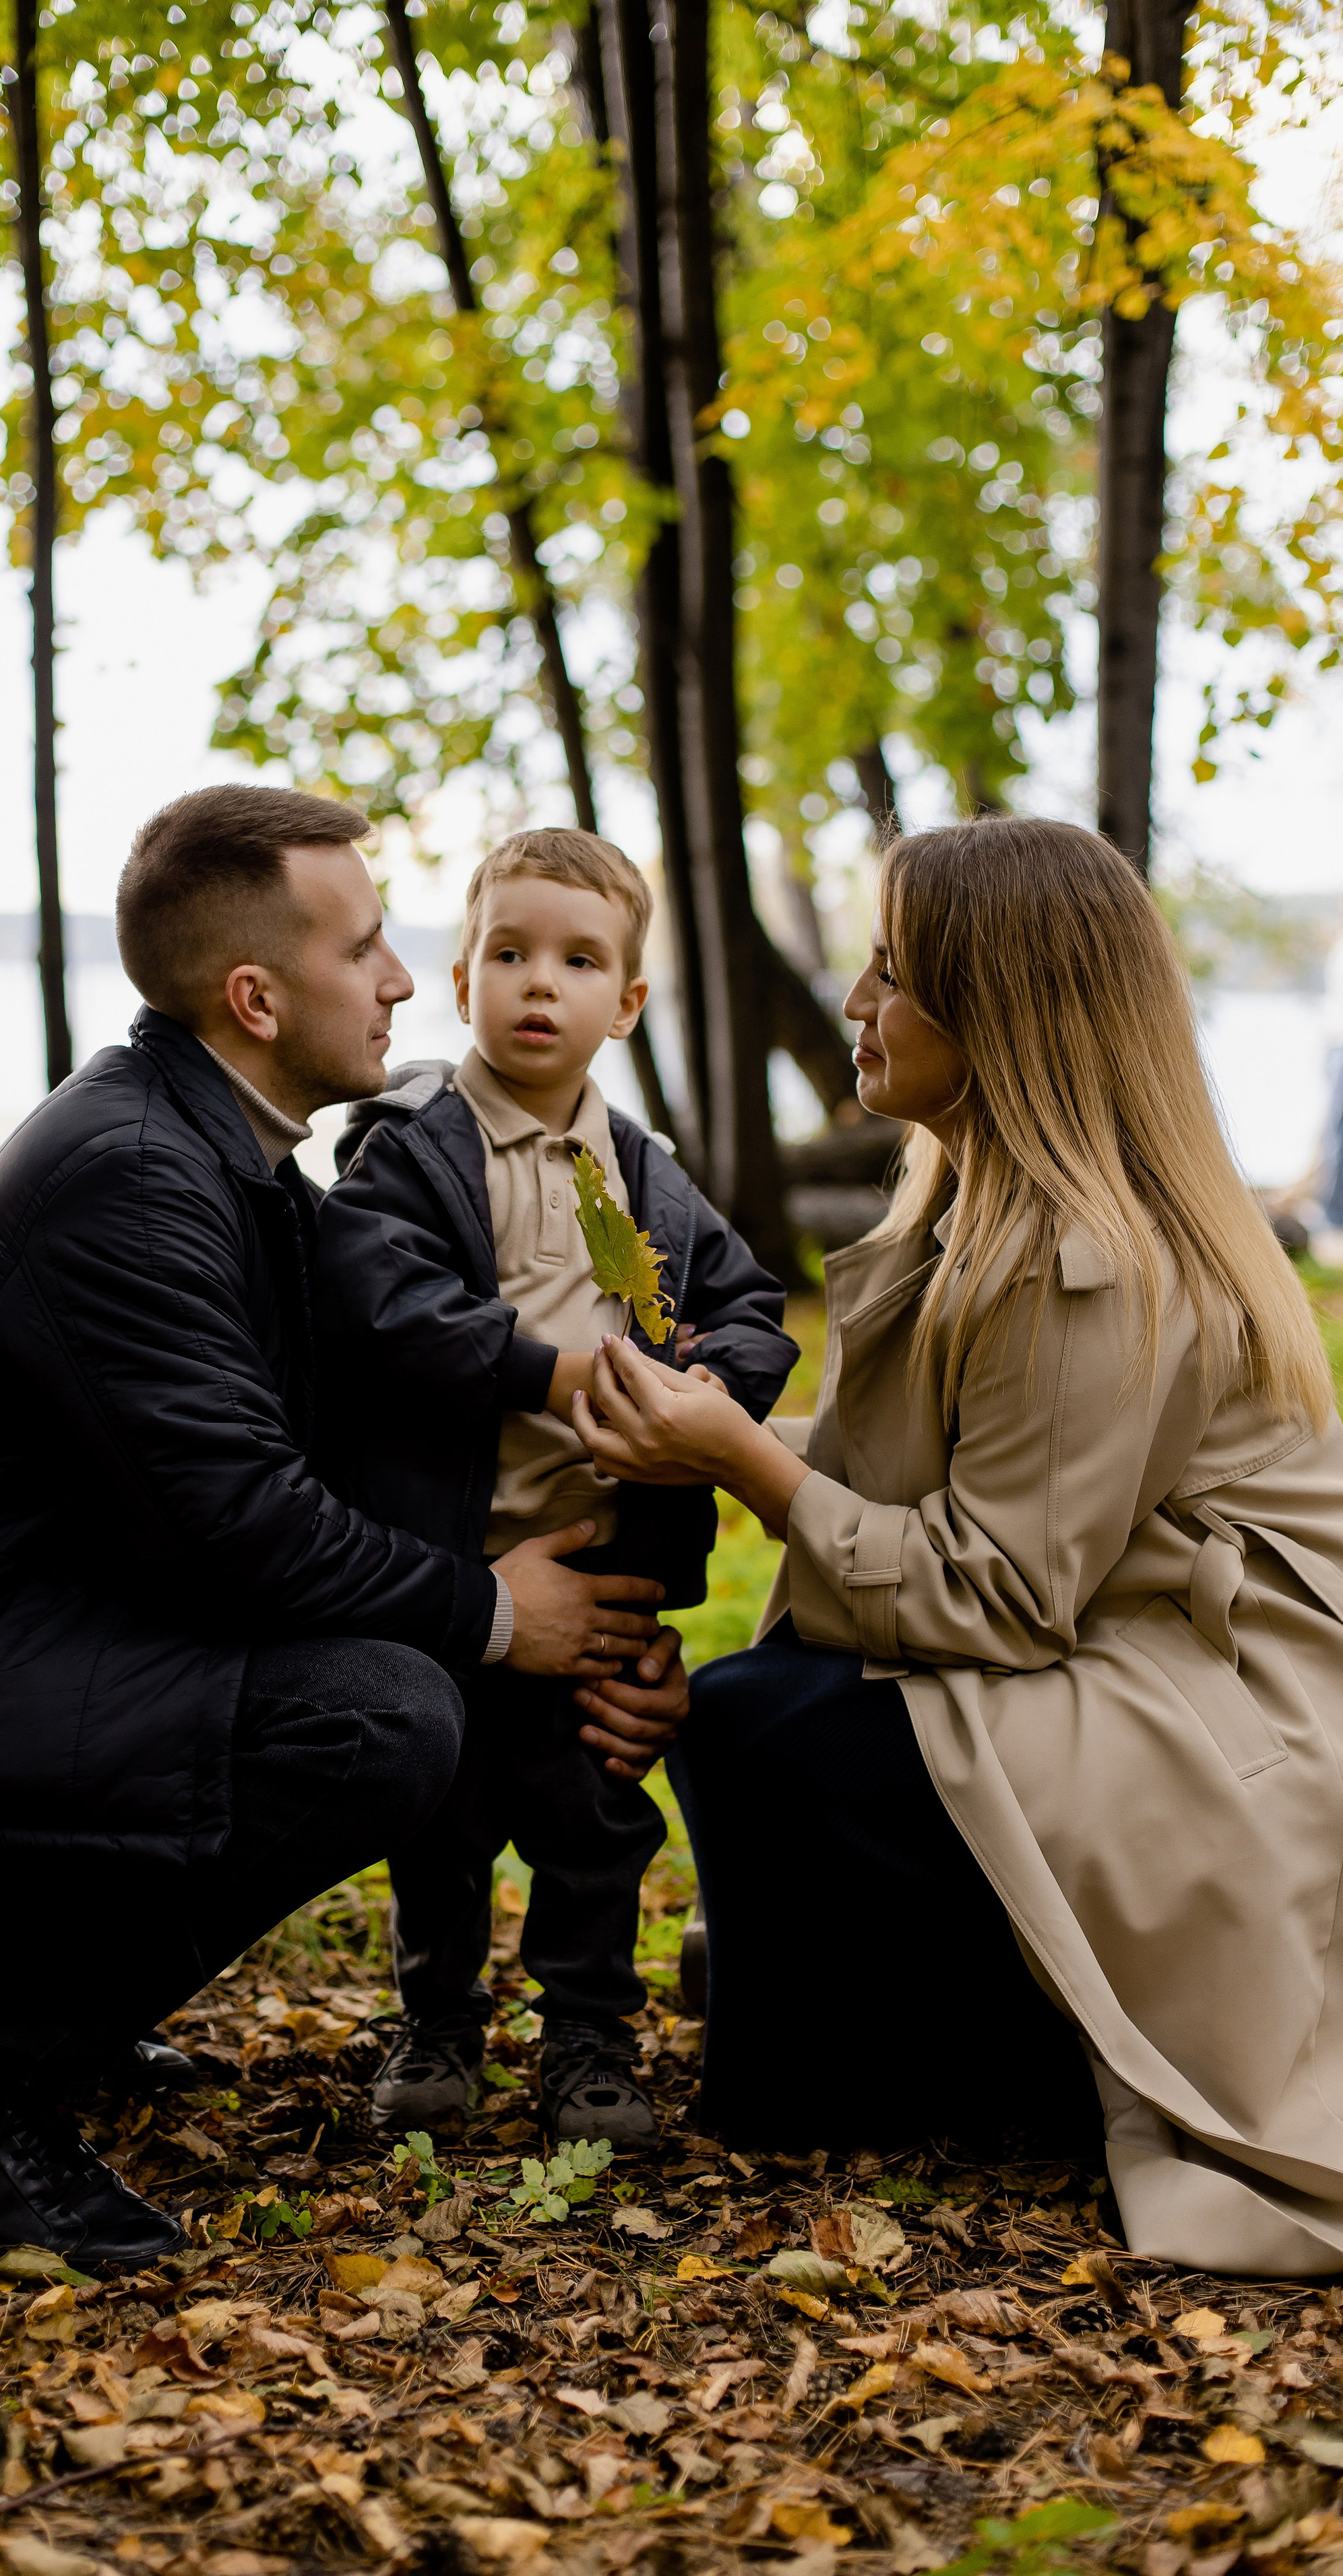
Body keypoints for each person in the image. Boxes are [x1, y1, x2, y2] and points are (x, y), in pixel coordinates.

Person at [0, 785, 689, 2266]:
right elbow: (255, 1531)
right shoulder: (140, 1182)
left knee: (377, 1688)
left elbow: (328, 1461)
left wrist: (610, 1622)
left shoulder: (227, 1155)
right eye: (363, 948)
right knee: (373, 1723)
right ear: (254, 995)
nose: (404, 982)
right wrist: (500, 1619)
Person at [574, 814, 1343, 2276]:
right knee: (764, 1716)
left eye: (891, 976)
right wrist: (705, 1436)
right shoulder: (981, 1205)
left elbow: (994, 1590)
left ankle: (960, 2051)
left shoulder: (1085, 1263)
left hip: (1225, 1684)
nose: (854, 1006)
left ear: (1002, 1012)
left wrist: (738, 1457)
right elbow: (947, 1485)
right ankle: (910, 2015)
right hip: (1112, 1619)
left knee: (768, 1728)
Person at [315, 830, 797, 2150]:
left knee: (592, 1809)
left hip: (604, 1564)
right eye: (510, 955)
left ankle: (588, 2032)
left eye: (578, 962)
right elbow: (379, 1306)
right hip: (455, 1565)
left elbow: (748, 1310)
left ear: (625, 1005)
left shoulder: (636, 1174)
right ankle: (437, 2022)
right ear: (459, 974)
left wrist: (700, 1400)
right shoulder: (410, 1150)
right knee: (446, 1814)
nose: (540, 985)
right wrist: (543, 1372)